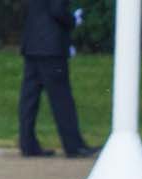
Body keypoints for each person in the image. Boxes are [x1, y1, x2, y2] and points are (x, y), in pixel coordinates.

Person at [19, 0, 96, 159]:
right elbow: (57, 10)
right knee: (62, 99)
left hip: (32, 42)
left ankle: (28, 143)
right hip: (51, 46)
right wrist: (73, 21)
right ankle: (74, 145)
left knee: (29, 98)